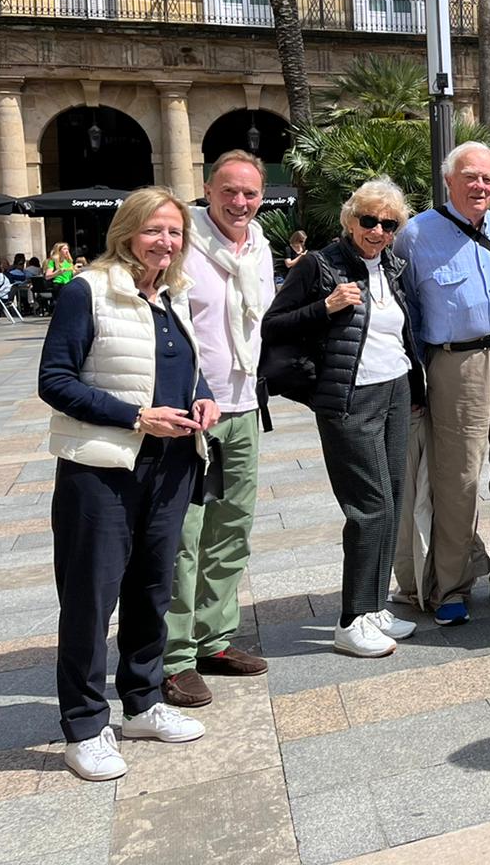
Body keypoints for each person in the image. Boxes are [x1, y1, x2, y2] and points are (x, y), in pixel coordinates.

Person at [38, 187, 220, 781]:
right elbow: (54, 380)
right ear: (127, 233)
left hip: (170, 465)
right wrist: (136, 417)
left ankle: (142, 702)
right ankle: (85, 726)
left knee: (152, 589)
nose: (166, 242)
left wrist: (204, 399)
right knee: (91, 598)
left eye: (174, 233)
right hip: (103, 469)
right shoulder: (86, 291)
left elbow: (184, 371)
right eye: (154, 230)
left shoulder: (175, 297)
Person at [262, 178, 425, 657]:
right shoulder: (319, 265)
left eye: (388, 223)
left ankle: (374, 607)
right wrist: (325, 307)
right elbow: (273, 326)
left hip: (394, 388)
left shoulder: (392, 266)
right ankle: (351, 619)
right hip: (348, 397)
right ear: (349, 219)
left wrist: (413, 387)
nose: (377, 230)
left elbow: (398, 332)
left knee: (392, 500)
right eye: (368, 220)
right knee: (368, 507)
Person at [393, 142, 490, 627]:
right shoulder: (414, 235)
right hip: (455, 364)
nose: (480, 186)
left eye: (488, 179)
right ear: (448, 180)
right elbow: (404, 309)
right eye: (470, 177)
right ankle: (450, 584)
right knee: (459, 479)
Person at [161, 151, 274, 708]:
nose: (240, 203)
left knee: (232, 530)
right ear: (208, 189)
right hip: (190, 412)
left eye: (250, 193)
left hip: (244, 407)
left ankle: (214, 638)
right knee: (183, 536)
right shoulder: (181, 241)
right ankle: (175, 657)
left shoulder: (259, 246)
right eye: (229, 191)